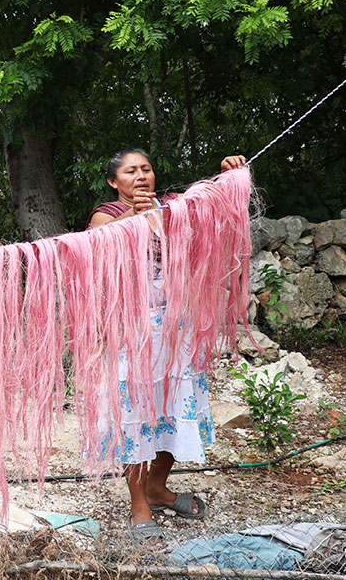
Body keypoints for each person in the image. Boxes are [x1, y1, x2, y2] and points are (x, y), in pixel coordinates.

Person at [87, 147, 246, 544]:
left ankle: (158, 487)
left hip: (175, 327)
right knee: (136, 414)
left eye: (146, 169)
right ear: (113, 182)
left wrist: (228, 177)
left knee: (175, 405)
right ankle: (138, 503)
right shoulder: (106, 216)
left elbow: (211, 209)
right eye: (130, 171)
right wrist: (133, 217)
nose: (140, 176)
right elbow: (95, 248)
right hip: (131, 332)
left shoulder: (172, 208)